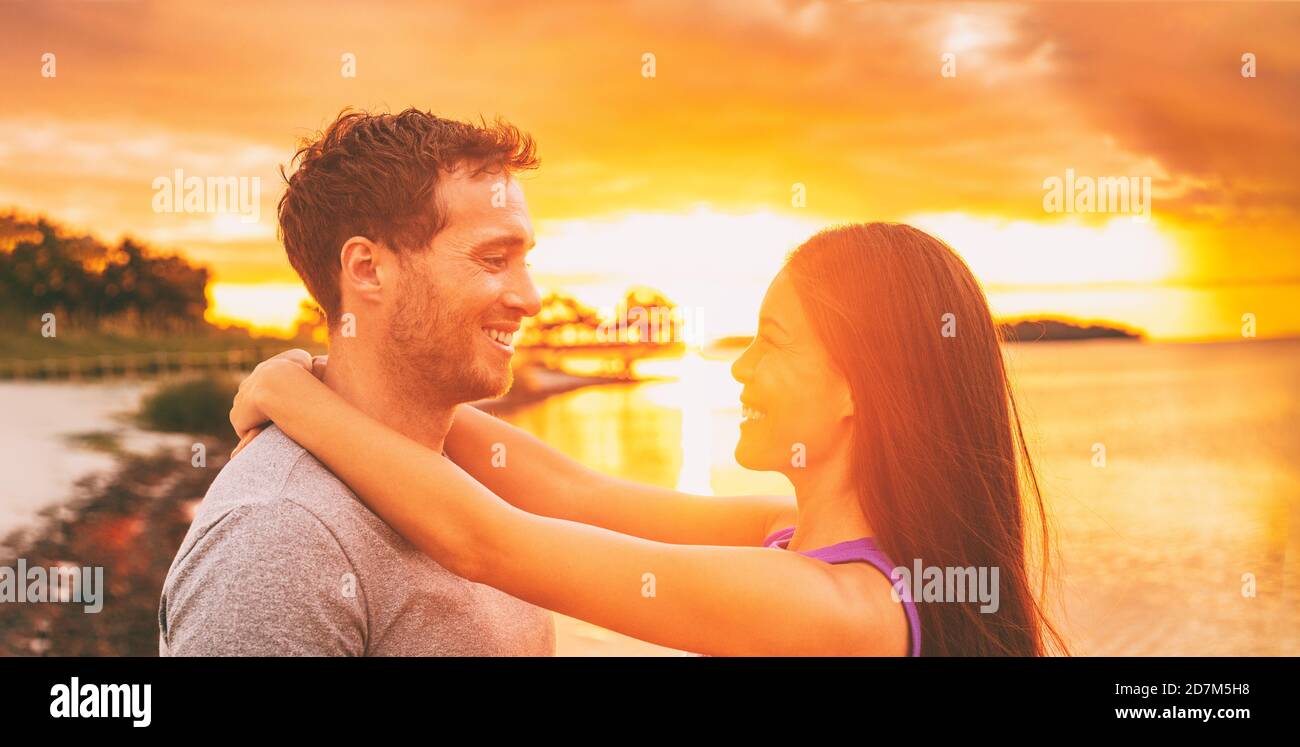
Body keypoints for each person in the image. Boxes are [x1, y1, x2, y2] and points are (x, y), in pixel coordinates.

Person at [231, 222, 1069, 656]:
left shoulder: (836, 608)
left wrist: (288, 395)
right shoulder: (791, 541)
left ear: (857, 384)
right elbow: (570, 494)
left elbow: (487, 542)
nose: (738, 366)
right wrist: (335, 373)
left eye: (771, 341)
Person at [158, 109, 555, 655]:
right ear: (367, 268)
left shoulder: (481, 478)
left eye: (523, 260)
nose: (530, 298)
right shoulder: (280, 538)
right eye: (493, 259)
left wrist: (290, 392)